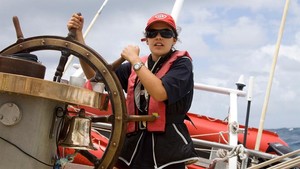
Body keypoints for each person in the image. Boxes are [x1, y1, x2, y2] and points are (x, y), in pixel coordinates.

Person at [67, 12, 198, 169]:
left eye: (166, 33)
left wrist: (135, 60)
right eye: (152, 33)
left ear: (174, 39)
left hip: (168, 150)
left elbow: (160, 93)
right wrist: (79, 37)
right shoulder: (135, 67)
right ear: (146, 39)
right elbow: (96, 78)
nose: (158, 37)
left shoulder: (182, 65)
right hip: (132, 146)